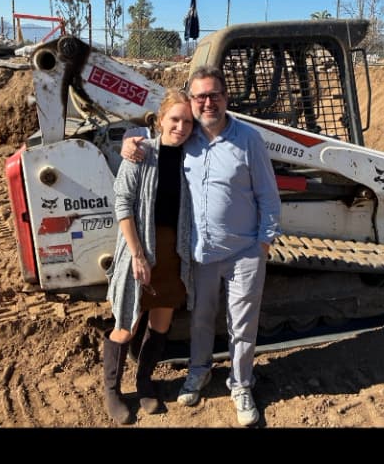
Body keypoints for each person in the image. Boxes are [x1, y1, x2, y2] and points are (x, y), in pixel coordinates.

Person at [126, 65, 282, 427]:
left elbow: (268, 197)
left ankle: (241, 385)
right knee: (200, 318)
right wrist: (129, 140)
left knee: (242, 324)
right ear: (192, 101)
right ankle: (199, 371)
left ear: (226, 98)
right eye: (200, 96)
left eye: (214, 95)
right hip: (201, 253)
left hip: (244, 251)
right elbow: (154, 137)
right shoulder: (187, 138)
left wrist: (264, 243)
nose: (208, 102)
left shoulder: (249, 140)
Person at [98, 91, 195, 425]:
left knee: (161, 323)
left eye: (187, 121)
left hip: (173, 253)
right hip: (141, 249)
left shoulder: (191, 156)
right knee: (126, 325)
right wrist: (138, 254)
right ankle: (112, 390)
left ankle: (144, 383)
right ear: (160, 121)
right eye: (175, 119)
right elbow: (122, 205)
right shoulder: (139, 154)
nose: (181, 127)